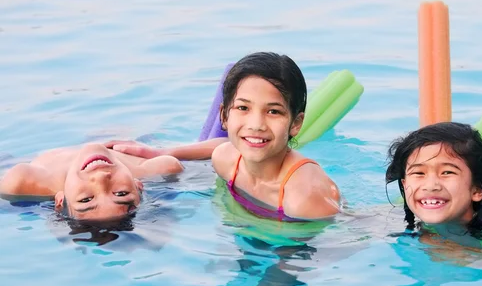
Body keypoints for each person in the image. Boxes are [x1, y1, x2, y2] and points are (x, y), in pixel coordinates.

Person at [106, 52, 341, 221]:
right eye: (243, 108)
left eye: (273, 111)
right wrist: (164, 152)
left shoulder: (302, 199)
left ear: (296, 124)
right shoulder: (226, 160)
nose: (256, 125)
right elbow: (223, 146)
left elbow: (318, 254)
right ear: (224, 116)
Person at [0, 142, 183, 220]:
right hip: (113, 143)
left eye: (86, 199)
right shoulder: (158, 169)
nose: (101, 179)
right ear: (138, 185)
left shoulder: (24, 181)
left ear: (60, 200)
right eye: (121, 193)